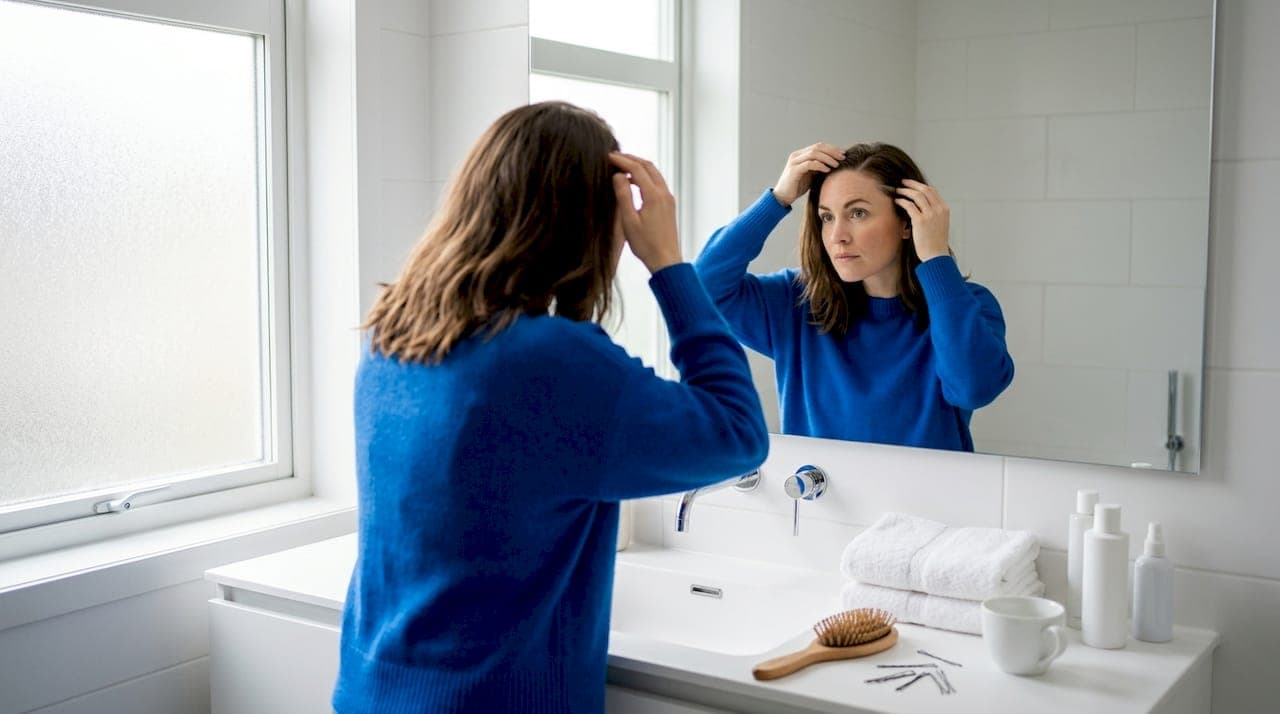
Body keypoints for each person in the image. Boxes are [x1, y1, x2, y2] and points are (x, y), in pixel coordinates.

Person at [332, 101, 768, 714]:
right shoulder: (552, 360)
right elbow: (738, 433)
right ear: (590, 222)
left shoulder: (393, 334)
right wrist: (669, 265)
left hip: (369, 692)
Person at [694, 142, 1014, 451]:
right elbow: (701, 288)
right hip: (820, 503)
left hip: (926, 504)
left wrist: (935, 256)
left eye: (858, 213)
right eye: (827, 217)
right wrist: (777, 199)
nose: (837, 236)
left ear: (907, 221)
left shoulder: (965, 305)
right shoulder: (796, 303)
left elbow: (974, 389)